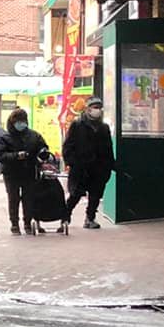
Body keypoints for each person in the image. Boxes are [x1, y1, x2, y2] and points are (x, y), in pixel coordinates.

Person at [62, 97, 117, 230]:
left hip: (99, 167)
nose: (97, 110)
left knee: (95, 195)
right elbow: (68, 146)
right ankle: (65, 216)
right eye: (94, 107)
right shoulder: (77, 125)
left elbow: (108, 148)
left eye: (99, 107)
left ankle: (90, 218)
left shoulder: (104, 128)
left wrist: (111, 165)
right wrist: (71, 162)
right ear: (87, 109)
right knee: (75, 194)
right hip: (80, 167)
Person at [0, 108, 49, 235]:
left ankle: (27, 223)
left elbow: (43, 148)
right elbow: (0, 155)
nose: (21, 124)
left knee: (29, 198)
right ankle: (14, 224)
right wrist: (16, 156)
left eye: (23, 121)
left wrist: (43, 154)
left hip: (29, 172)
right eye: (18, 122)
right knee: (13, 198)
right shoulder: (5, 138)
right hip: (11, 173)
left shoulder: (34, 136)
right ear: (13, 122)